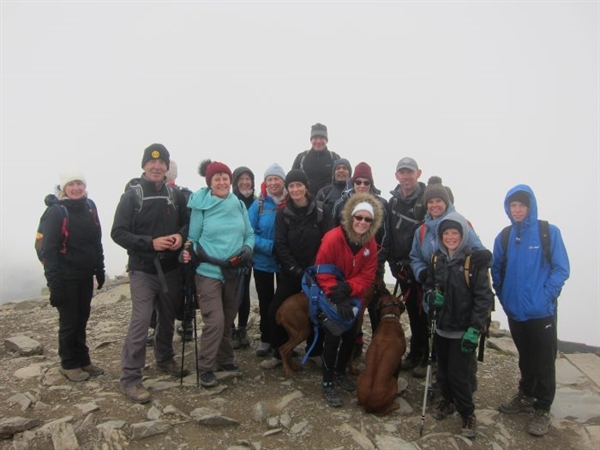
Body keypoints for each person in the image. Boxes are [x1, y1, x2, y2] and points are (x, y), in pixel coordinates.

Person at [111, 143, 190, 403]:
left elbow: (188, 223)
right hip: (143, 269)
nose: (157, 167)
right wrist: (150, 242)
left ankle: (164, 358)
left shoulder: (175, 195)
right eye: (152, 163)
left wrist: (180, 235)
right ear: (144, 166)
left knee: (167, 317)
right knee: (142, 320)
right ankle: (130, 378)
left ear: (167, 167)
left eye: (162, 163)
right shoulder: (132, 195)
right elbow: (118, 232)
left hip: (171, 268)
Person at [492, 185, 570, 437]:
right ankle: (525, 395)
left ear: (530, 206)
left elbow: (561, 269)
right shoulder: (504, 237)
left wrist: (546, 296)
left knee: (545, 360)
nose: (517, 210)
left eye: (521, 205)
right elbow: (497, 271)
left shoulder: (548, 232)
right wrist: (504, 298)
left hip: (542, 312)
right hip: (515, 312)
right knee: (525, 356)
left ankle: (543, 408)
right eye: (513, 205)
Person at [409, 177, 490, 378]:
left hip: (461, 300)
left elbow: (479, 252)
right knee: (437, 339)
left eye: (438, 201)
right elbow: (415, 257)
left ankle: (463, 391)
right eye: (430, 202)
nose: (434, 205)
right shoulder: (422, 231)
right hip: (435, 296)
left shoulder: (460, 223)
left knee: (460, 351)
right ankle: (440, 379)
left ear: (446, 202)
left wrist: (485, 255)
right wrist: (422, 272)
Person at [183, 159, 255, 388]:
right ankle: (205, 366)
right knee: (215, 321)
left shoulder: (238, 204)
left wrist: (247, 249)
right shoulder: (200, 205)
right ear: (210, 182)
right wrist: (188, 252)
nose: (222, 182)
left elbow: (249, 234)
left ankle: (225, 359)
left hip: (235, 272)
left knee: (227, 318)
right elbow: (192, 239)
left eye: (225, 177)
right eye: (217, 178)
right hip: (208, 271)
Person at [423, 212, 494, 438]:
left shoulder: (473, 262)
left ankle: (468, 413)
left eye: (455, 233)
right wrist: (430, 297)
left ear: (463, 235)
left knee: (459, 374)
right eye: (446, 233)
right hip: (441, 327)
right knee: (443, 371)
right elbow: (429, 286)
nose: (451, 237)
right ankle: (447, 401)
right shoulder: (437, 259)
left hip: (464, 331)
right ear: (441, 236)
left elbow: (484, 298)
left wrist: (475, 328)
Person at [315, 192, 383, 407]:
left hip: (353, 296)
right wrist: (336, 292)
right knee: (334, 334)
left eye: (367, 219)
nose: (362, 222)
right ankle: (327, 384)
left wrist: (348, 289)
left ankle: (340, 371)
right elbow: (322, 269)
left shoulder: (370, 244)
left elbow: (367, 275)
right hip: (330, 292)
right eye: (359, 217)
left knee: (351, 334)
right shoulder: (333, 237)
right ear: (351, 217)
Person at [261, 169, 332, 370]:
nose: (295, 189)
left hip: (318, 272)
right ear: (287, 188)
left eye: (299, 185)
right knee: (274, 310)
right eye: (291, 186)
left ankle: (315, 351)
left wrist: (315, 269)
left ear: (306, 187)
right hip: (292, 273)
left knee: (320, 311)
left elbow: (329, 241)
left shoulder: (322, 211)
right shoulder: (283, 214)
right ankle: (279, 352)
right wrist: (296, 270)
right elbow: (280, 245)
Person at [41, 168, 105, 382]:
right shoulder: (56, 212)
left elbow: (96, 240)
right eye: (71, 184)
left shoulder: (89, 207)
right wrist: (54, 285)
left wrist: (100, 268)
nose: (76, 188)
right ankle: (68, 363)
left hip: (85, 275)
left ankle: (83, 359)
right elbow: (49, 251)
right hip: (66, 277)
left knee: (82, 318)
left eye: (80, 184)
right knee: (69, 321)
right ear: (64, 188)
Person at [332, 161, 389, 356]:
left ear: (371, 184)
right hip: (345, 267)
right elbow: (333, 233)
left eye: (366, 182)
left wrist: (376, 264)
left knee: (373, 308)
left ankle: (378, 348)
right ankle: (353, 343)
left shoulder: (382, 205)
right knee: (348, 305)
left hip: (374, 266)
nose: (362, 186)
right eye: (358, 182)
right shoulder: (341, 204)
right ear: (352, 183)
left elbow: (386, 238)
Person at [387, 157, 428, 376]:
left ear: (418, 173)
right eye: (402, 172)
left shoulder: (427, 199)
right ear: (396, 176)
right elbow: (390, 234)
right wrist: (393, 263)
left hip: (422, 268)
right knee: (412, 311)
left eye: (409, 172)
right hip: (402, 268)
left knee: (426, 313)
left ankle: (426, 357)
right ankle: (415, 353)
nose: (406, 177)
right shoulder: (393, 202)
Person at [250, 163, 287, 357]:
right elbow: (248, 232)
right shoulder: (259, 204)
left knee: (282, 303)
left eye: (277, 179)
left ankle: (282, 340)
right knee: (265, 302)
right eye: (270, 179)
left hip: (284, 263)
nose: (273, 183)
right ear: (265, 182)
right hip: (263, 261)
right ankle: (266, 338)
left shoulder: (290, 201)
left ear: (283, 181)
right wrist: (271, 247)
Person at [231, 166, 256, 349]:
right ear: (235, 182)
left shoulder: (256, 202)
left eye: (248, 179)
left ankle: (242, 329)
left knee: (244, 292)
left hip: (247, 254)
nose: (246, 182)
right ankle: (231, 329)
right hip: (229, 254)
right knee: (229, 292)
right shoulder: (229, 201)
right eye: (242, 179)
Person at [291, 123, 341, 197]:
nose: (318, 141)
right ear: (311, 140)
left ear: (326, 140)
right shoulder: (301, 158)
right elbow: (291, 179)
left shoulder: (335, 158)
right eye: (315, 138)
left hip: (328, 200)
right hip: (305, 200)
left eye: (321, 138)